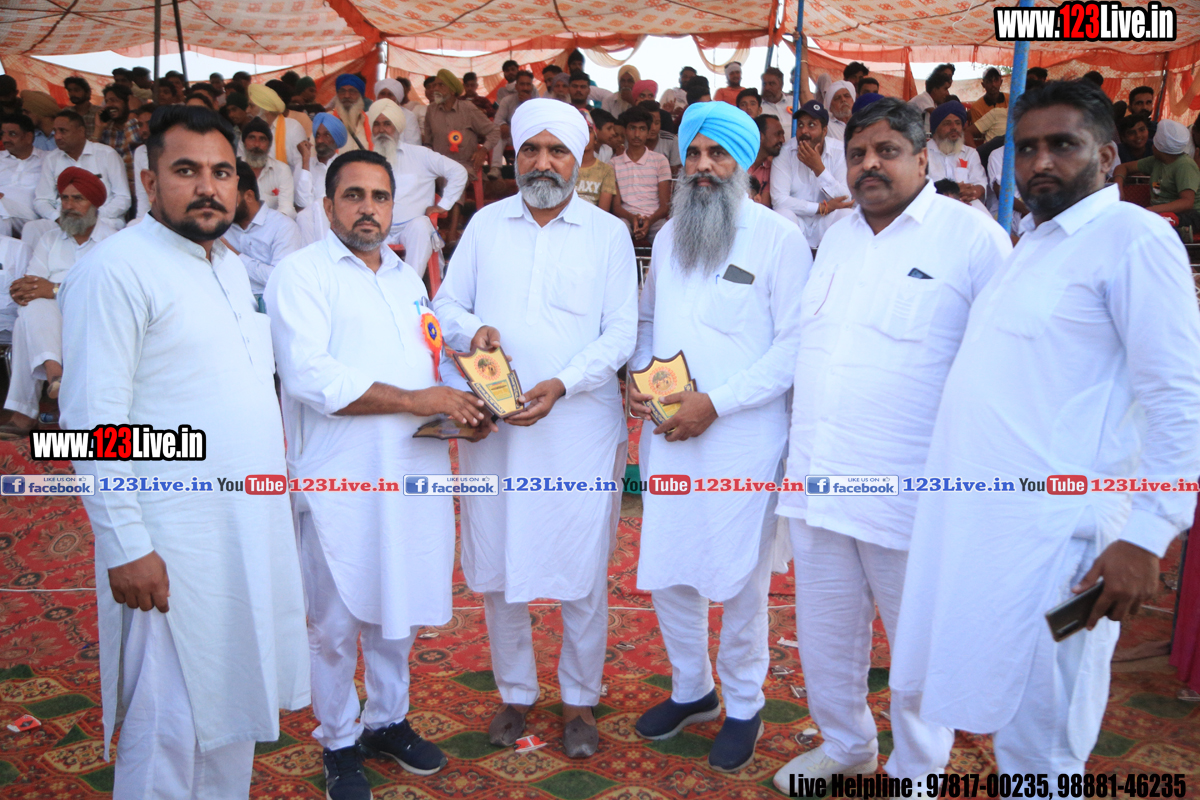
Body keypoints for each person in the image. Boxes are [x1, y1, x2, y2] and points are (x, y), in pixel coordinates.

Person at [893, 79, 1200, 778]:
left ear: (1108, 156)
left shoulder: (1135, 240)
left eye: (1063, 145)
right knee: (1004, 707)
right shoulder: (1032, 244)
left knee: (1045, 742)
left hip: (1065, 542)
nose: (1040, 162)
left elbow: (1181, 398)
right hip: (987, 531)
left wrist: (1148, 534)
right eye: (1026, 148)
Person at [58, 103, 309, 799]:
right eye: (187, 171)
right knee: (169, 726)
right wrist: (126, 545)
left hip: (243, 530)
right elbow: (91, 424)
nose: (208, 187)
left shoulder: (225, 263)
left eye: (222, 173)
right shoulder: (115, 271)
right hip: (169, 544)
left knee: (230, 708)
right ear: (148, 180)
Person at [772, 97, 1011, 788]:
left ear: (922, 158)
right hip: (819, 476)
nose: (869, 165)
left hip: (910, 487)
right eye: (857, 155)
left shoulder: (973, 239)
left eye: (886, 151)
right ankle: (846, 743)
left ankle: (918, 768)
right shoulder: (837, 236)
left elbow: (1002, 369)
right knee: (825, 632)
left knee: (916, 640)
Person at [267, 149, 491, 799]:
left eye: (380, 197)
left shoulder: (404, 279)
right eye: (354, 195)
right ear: (327, 205)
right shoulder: (300, 275)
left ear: (395, 207)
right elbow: (310, 378)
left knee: (400, 610)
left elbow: (430, 365)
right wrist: (419, 399)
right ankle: (338, 741)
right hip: (341, 481)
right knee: (335, 626)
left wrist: (465, 407)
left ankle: (387, 719)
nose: (369, 209)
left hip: (413, 473)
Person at [432, 98, 637, 759]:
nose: (542, 163)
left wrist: (564, 383)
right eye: (531, 150)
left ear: (578, 161)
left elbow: (621, 333)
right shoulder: (486, 225)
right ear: (513, 156)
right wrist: (473, 330)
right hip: (500, 427)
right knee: (498, 562)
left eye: (556, 151)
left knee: (582, 567)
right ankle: (515, 692)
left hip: (579, 427)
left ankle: (579, 699)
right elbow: (445, 304)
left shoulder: (608, 234)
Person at [630, 99, 810, 773]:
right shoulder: (669, 237)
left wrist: (718, 404)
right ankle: (692, 689)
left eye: (718, 154)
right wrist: (641, 381)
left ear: (747, 163)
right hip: (670, 436)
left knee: (739, 580)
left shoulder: (780, 239)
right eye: (695, 154)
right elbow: (648, 324)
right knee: (671, 567)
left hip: (744, 440)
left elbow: (794, 347)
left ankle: (743, 704)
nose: (703, 167)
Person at [0, 169, 116, 439]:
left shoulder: (113, 241)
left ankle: (24, 413)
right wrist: (24, 291)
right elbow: (32, 284)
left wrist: (54, 289)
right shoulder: (49, 239)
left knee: (29, 316)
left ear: (95, 204)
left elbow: (109, 292)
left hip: (95, 316)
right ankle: (55, 374)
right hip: (50, 317)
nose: (69, 206)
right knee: (31, 308)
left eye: (78, 199)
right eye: (64, 198)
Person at [368, 99, 467, 277]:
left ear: (397, 127)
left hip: (410, 230)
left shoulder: (420, 155)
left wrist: (443, 205)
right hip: (375, 228)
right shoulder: (364, 160)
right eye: (377, 124)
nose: (381, 130)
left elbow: (458, 172)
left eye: (387, 124)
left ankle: (409, 286)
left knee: (421, 225)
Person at [770, 100, 853, 247]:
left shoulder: (839, 151)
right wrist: (820, 208)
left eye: (811, 125)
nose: (804, 131)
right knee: (782, 214)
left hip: (826, 223)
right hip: (797, 221)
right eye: (800, 125)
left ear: (824, 130)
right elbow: (779, 200)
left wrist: (819, 169)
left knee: (847, 215)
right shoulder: (785, 152)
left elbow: (846, 199)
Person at [34, 110, 130, 229]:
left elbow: (123, 197)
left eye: (63, 131)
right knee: (33, 227)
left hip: (102, 220)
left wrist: (94, 216)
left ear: (81, 131)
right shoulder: (51, 159)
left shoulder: (107, 154)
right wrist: (57, 217)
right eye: (55, 131)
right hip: (64, 221)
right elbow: (42, 200)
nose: (57, 136)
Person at [221, 161, 302, 301]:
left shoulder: (283, 227)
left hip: (268, 305)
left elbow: (280, 278)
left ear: (249, 196)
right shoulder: (221, 226)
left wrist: (235, 256)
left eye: (226, 197)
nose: (220, 204)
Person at [1114, 119, 1200, 227]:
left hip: (1188, 216)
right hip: (1161, 214)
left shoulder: (1185, 165)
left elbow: (1187, 202)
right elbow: (1123, 167)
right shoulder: (1157, 161)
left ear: (1159, 147)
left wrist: (1151, 210)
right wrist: (1118, 187)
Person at [425, 69, 500, 179]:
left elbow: (495, 131)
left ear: (452, 91)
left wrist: (483, 150)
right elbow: (428, 142)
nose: (435, 89)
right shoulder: (431, 110)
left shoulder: (468, 108)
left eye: (441, 85)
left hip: (464, 166)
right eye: (435, 85)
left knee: (453, 180)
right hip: (438, 167)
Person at [612, 107, 672, 240]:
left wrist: (649, 220)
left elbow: (665, 206)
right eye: (632, 128)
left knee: (667, 234)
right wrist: (632, 218)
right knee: (619, 230)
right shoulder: (613, 164)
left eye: (642, 129)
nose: (637, 134)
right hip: (626, 218)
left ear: (648, 132)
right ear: (625, 130)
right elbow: (616, 207)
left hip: (655, 218)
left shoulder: (660, 160)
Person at [926, 101, 988, 214]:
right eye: (947, 123)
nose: (954, 127)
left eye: (958, 123)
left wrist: (973, 191)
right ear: (935, 129)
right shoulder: (920, 154)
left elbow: (980, 183)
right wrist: (950, 192)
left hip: (967, 206)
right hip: (931, 208)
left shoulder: (970, 153)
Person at [0, 114, 46, 237]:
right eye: (3, 134)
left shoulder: (47, 159)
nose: (5, 139)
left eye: (12, 134)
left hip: (30, 216)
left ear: (28, 137)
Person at [241, 116, 296, 218]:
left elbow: (287, 208)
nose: (256, 144)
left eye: (262, 139)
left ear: (269, 145)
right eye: (252, 138)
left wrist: (267, 225)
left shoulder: (282, 170)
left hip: (272, 225)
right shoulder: (233, 169)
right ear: (244, 143)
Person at [247, 83, 308, 172]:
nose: (247, 110)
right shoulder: (248, 131)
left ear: (266, 109)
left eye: (251, 106)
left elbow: (301, 166)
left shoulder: (292, 128)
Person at [294, 111, 346, 211]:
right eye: (317, 135)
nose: (320, 140)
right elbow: (302, 204)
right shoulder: (302, 165)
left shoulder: (345, 167)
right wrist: (306, 161)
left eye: (327, 135)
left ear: (336, 139)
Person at [98, 83, 143, 193]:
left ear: (127, 103)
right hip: (112, 189)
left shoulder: (140, 124)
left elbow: (134, 141)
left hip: (138, 188)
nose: (109, 105)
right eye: (107, 101)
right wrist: (98, 128)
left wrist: (132, 112)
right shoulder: (106, 129)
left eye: (114, 100)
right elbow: (91, 158)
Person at [576, 117, 618, 212]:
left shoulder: (606, 170)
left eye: (589, 131)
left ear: (595, 139)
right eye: (579, 131)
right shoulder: (562, 167)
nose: (584, 135)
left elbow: (603, 212)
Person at [749, 114, 785, 207]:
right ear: (760, 136)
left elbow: (765, 206)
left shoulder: (771, 168)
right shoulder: (737, 162)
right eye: (778, 134)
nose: (782, 140)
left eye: (783, 135)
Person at [374, 78, 422, 145]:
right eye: (382, 93)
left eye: (390, 94)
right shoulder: (368, 115)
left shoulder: (408, 116)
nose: (386, 97)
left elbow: (413, 144)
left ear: (397, 98)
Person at [130, 103, 156, 221]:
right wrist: (141, 223)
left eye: (149, 124)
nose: (144, 130)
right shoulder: (140, 152)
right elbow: (142, 196)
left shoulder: (175, 151)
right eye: (140, 125)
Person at [642, 101, 681, 176]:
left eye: (657, 123)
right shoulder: (630, 141)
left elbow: (675, 174)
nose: (654, 128)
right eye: (649, 123)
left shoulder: (672, 141)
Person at [63, 76, 100, 141]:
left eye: (76, 90)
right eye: (69, 90)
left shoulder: (99, 112)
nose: (72, 94)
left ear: (87, 92)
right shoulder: (66, 113)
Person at [760, 68, 791, 138]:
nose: (767, 88)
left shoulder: (794, 102)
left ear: (781, 84)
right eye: (764, 84)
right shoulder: (758, 107)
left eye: (771, 84)